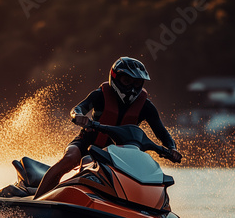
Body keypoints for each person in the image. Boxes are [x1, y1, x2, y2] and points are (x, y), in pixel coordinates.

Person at [34, 56, 182, 199]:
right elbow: (77, 109)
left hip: (120, 155)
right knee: (70, 158)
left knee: (142, 174)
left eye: (137, 83)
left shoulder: (146, 107)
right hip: (87, 144)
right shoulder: (100, 95)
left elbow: (162, 132)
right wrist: (78, 116)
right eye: (127, 81)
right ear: (115, 77)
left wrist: (172, 148)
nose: (131, 88)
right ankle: (37, 200)